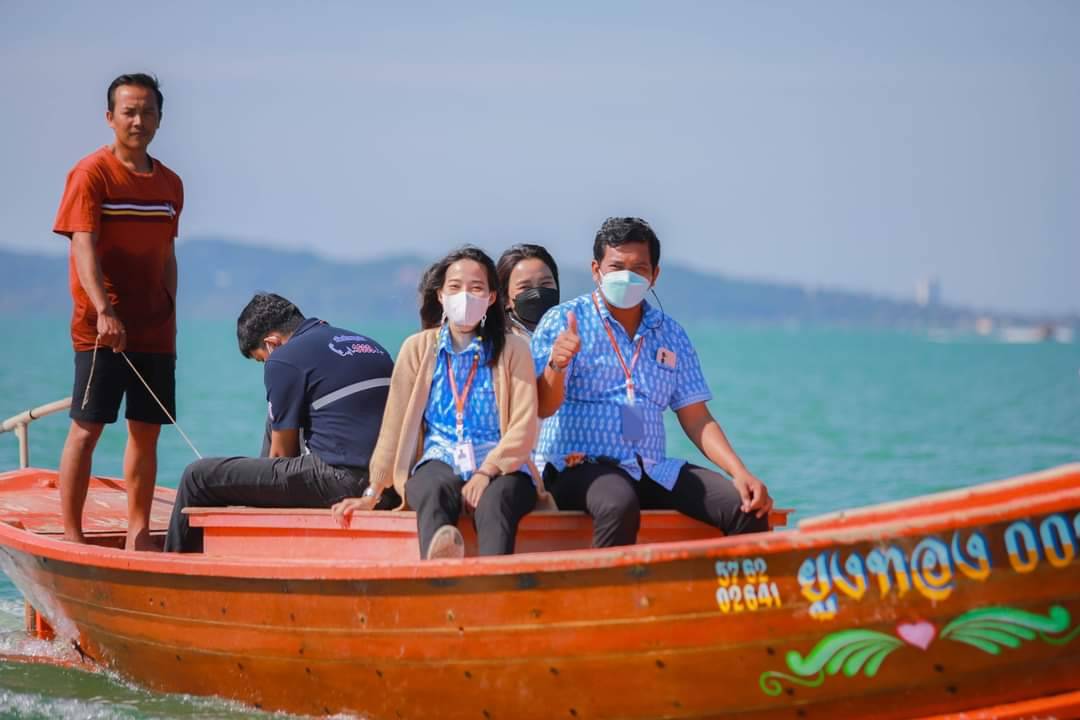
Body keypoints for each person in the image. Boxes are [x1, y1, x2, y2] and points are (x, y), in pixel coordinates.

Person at [531, 217, 773, 547]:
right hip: (577, 466)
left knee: (745, 507)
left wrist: (740, 472)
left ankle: (740, 581)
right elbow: (543, 407)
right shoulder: (563, 321)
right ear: (596, 270)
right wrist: (557, 365)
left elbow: (697, 418)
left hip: (649, 467)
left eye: (638, 268)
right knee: (619, 502)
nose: (626, 276)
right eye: (616, 267)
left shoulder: (670, 333)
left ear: (654, 275)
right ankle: (606, 582)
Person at [332, 247, 542, 560]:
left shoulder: (514, 349)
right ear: (441, 295)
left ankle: (494, 579)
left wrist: (486, 472)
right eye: (455, 287)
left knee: (496, 500)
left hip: (503, 466)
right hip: (439, 457)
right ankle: (440, 565)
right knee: (430, 488)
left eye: (476, 288)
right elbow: (394, 426)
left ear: (491, 298)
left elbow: (524, 425)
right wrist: (372, 493)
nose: (465, 296)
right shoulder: (417, 349)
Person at [53, 73, 183, 550]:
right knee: (87, 429)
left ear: (160, 119)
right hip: (101, 328)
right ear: (110, 117)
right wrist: (104, 311)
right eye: (129, 111)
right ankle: (72, 536)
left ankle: (138, 533)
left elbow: (167, 253)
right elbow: (82, 246)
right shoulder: (91, 173)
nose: (138, 120)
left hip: (155, 329)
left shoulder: (170, 183)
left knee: (146, 432)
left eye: (148, 112)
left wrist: (170, 312)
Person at [164, 293, 395, 552]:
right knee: (277, 417)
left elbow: (280, 455)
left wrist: (255, 486)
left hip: (343, 480)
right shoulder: (366, 344)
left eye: (261, 359)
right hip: (389, 484)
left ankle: (173, 568)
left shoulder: (283, 358)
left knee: (196, 477)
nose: (266, 365)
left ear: (271, 343)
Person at [496, 244, 561, 338]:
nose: (538, 294)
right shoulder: (499, 340)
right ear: (505, 298)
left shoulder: (570, 329)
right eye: (525, 287)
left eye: (545, 283)